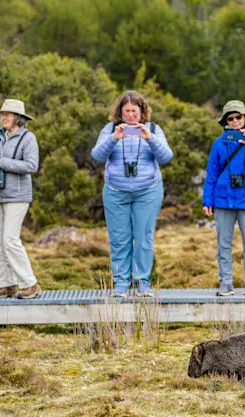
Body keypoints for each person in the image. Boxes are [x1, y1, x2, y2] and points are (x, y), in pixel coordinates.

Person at [92, 90, 174, 297]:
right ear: (120, 112)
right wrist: (113, 138)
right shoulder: (109, 129)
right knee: (119, 238)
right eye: (126, 111)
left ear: (142, 111)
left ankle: (142, 283)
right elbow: (97, 155)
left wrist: (150, 139)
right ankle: (121, 283)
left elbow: (166, 157)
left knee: (143, 237)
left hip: (147, 191)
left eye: (134, 111)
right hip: (115, 191)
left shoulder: (153, 129)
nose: (130, 115)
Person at [202, 100, 245, 296]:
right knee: (223, 243)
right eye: (230, 118)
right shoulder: (218, 144)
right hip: (222, 199)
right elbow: (212, 173)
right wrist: (208, 200)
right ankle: (226, 283)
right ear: (225, 121)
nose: (234, 121)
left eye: (238, 117)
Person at [0, 99, 42, 300]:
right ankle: (7, 284)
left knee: (10, 240)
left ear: (18, 118)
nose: (4, 117)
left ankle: (30, 284)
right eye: (2, 114)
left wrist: (2, 163)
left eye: (8, 114)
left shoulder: (28, 138)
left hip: (17, 196)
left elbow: (31, 166)